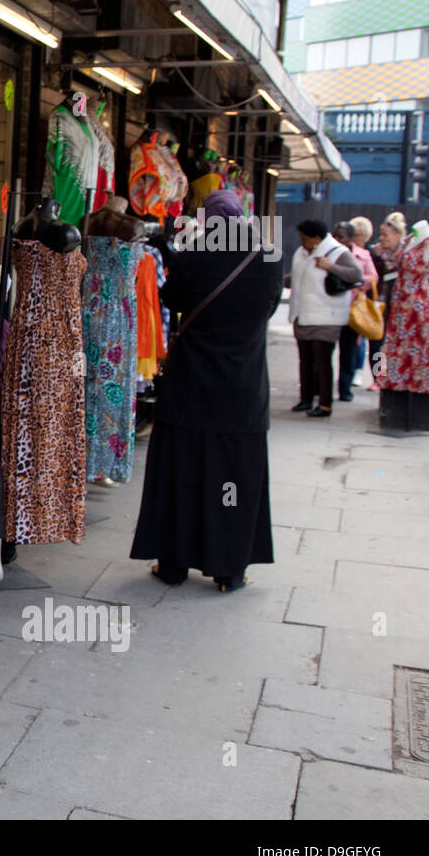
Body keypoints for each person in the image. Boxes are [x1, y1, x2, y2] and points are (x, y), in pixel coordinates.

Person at [130, 191, 284, 593]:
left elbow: (171, 299)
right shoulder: (269, 255)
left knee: (183, 472)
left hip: (192, 384)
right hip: (244, 386)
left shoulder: (194, 254)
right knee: (236, 478)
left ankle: (175, 565)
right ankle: (230, 570)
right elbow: (267, 309)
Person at [289, 219, 363, 417]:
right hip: (303, 314)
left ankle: (325, 404)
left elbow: (357, 274)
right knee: (305, 360)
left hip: (327, 316)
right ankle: (305, 399)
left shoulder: (338, 252)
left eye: (305, 238)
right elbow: (296, 278)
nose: (302, 241)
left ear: (317, 238)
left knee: (322, 361)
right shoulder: (302, 252)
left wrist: (330, 267)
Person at [337, 216, 380, 400]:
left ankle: (378, 378)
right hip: (352, 308)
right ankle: (371, 376)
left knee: (378, 348)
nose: (383, 238)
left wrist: (355, 281)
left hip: (375, 308)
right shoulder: (378, 253)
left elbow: (374, 278)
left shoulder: (372, 254)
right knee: (364, 347)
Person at [366, 212, 407, 390]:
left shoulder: (406, 253)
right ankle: (377, 378)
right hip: (378, 303)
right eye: (381, 235)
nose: (382, 239)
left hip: (398, 305)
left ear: (397, 235)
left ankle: (390, 376)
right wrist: (374, 257)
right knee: (376, 342)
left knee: (393, 344)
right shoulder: (377, 253)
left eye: (385, 235)